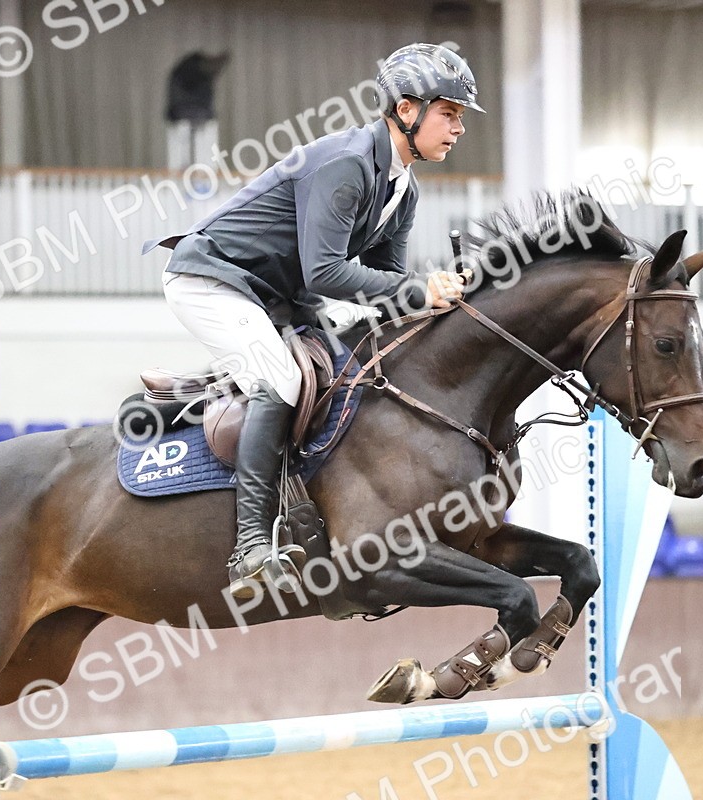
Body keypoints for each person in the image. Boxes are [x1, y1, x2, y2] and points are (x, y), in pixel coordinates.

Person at [143, 43, 484, 597]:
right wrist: (420, 288)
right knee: (280, 380)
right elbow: (327, 273)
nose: (458, 128)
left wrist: (440, 303)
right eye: (449, 113)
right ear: (406, 111)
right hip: (212, 280)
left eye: (459, 117)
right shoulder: (345, 164)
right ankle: (251, 547)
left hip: (273, 297)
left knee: (348, 364)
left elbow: (386, 290)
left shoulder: (403, 189)